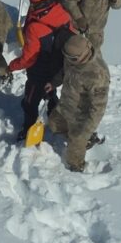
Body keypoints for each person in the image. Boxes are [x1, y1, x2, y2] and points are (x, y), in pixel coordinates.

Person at [7, 0, 76, 141]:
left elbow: (28, 59)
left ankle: (28, 129)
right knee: (51, 93)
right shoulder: (61, 12)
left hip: (39, 70)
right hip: (57, 66)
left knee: (30, 102)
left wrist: (11, 67)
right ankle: (57, 120)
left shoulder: (35, 27)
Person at [47, 34, 110, 173]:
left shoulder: (97, 75)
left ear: (84, 53)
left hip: (82, 115)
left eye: (72, 58)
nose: (68, 60)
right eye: (67, 57)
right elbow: (64, 72)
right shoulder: (73, 58)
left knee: (75, 143)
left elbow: (98, 109)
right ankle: (83, 139)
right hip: (66, 105)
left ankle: (76, 167)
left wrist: (85, 131)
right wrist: (53, 83)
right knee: (53, 125)